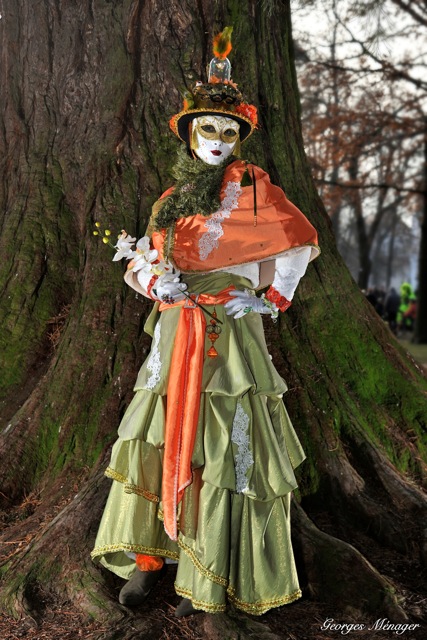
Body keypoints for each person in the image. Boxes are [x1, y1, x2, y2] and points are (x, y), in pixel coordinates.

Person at [91, 29, 320, 617]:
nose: (216, 141)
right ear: (190, 135)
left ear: (238, 138)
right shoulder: (169, 198)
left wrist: (270, 298)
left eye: (227, 131)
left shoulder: (253, 190)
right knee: (160, 431)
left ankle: (211, 563)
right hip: (173, 332)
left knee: (225, 438)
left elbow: (296, 245)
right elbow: (144, 260)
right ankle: (149, 558)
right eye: (206, 129)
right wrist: (151, 281)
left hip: (229, 331)